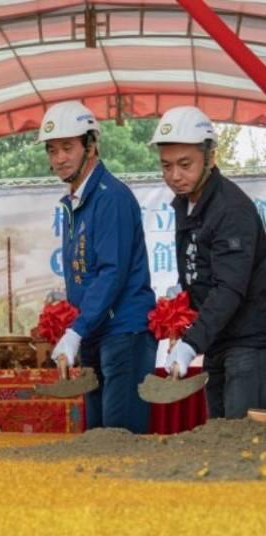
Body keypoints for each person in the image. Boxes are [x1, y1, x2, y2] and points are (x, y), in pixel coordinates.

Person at [40, 101, 156, 434]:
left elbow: (112, 273)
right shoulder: (76, 201)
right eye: (52, 150)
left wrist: (75, 330)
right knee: (97, 438)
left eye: (67, 147)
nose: (59, 158)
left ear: (90, 145)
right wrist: (77, 328)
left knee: (120, 437)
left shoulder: (111, 197)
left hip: (124, 334)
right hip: (95, 333)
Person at [151, 105, 266, 418]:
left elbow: (229, 288)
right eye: (166, 166)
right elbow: (197, 272)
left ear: (211, 157)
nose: (174, 176)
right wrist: (181, 316)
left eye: (185, 164)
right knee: (219, 438)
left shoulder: (231, 210)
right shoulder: (187, 204)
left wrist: (191, 343)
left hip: (249, 345)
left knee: (245, 444)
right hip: (218, 342)